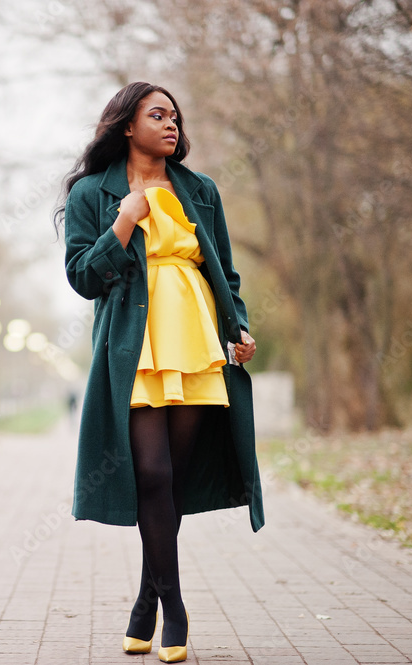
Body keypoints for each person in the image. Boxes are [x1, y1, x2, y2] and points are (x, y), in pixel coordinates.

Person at [54, 82, 265, 662]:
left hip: (195, 339)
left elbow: (224, 269)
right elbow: (83, 278)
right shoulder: (93, 193)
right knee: (150, 473)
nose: (172, 124)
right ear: (127, 125)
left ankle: (145, 602)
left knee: (171, 479)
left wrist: (236, 327)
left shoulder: (200, 190)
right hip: (134, 348)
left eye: (175, 115)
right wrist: (122, 221)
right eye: (157, 114)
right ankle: (174, 609)